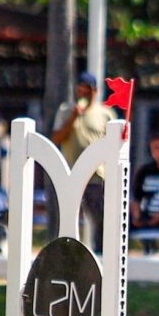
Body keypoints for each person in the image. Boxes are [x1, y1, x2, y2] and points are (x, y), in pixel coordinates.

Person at [51, 71, 116, 251]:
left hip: (96, 175)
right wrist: (73, 117)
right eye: (80, 89)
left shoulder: (105, 114)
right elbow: (57, 138)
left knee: (100, 218)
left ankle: (100, 253)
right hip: (71, 174)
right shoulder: (66, 110)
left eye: (87, 89)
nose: (83, 92)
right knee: (67, 218)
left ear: (94, 91)